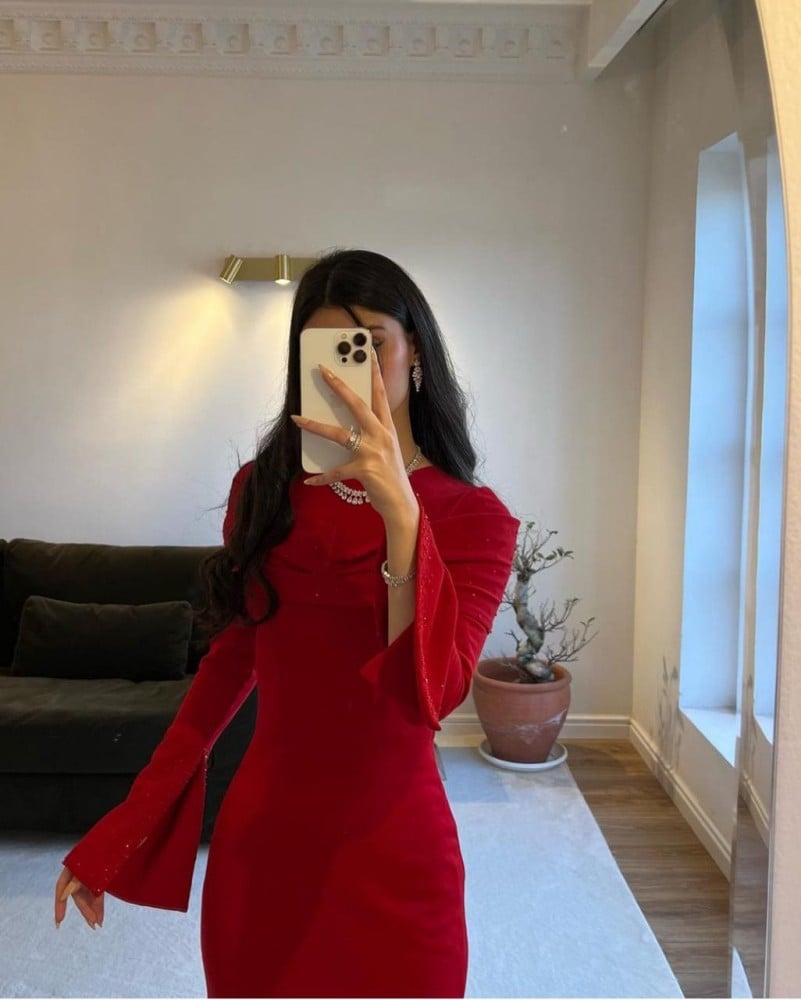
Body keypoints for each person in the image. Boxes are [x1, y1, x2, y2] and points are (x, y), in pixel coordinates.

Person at [53, 248, 521, 998]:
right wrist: (125, 826)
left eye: (370, 343)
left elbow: (431, 696)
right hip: (265, 847)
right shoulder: (264, 492)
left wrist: (402, 516)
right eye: (327, 348)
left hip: (397, 849)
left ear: (417, 353)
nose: (349, 372)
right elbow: (226, 669)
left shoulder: (474, 519)